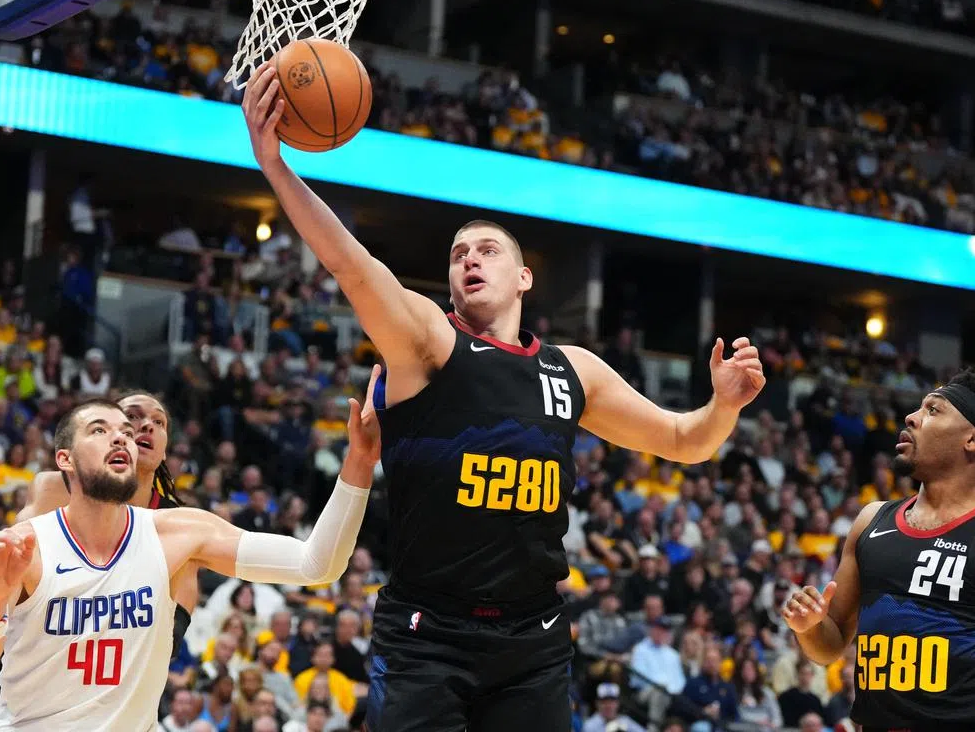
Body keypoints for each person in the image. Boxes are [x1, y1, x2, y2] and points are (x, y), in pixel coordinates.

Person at [242, 65, 766, 732]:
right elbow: (353, 267)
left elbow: (683, 442)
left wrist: (723, 407)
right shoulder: (428, 342)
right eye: (459, 253)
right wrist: (277, 168)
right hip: (427, 635)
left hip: (533, 641)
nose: (469, 259)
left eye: (486, 250)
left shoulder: (572, 369)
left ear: (522, 277)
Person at [0, 386, 379, 730]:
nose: (126, 434)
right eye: (102, 429)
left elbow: (316, 564)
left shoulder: (182, 531)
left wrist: (359, 462)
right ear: (65, 457)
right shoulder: (30, 535)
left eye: (141, 426)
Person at [782, 371, 975, 730]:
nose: (911, 417)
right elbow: (831, 644)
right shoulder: (871, 520)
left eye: (933, 411)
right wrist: (808, 628)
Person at [0, 391, 195, 732]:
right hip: (26, 689)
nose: (146, 425)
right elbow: (7, 582)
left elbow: (172, 634)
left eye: (158, 422)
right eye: (132, 417)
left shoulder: (177, 523)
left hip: (108, 696)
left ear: (164, 448)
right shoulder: (54, 490)